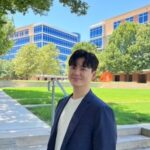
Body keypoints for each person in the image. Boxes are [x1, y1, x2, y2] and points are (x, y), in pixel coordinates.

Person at [47, 49, 117, 150]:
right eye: (73, 67)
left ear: (93, 74)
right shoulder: (62, 103)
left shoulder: (101, 110)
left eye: (83, 68)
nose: (76, 72)